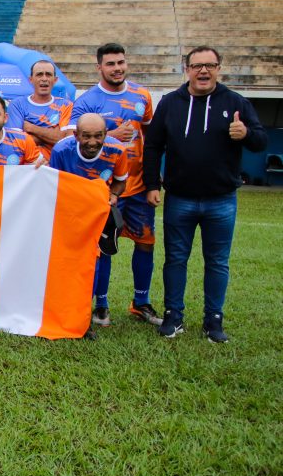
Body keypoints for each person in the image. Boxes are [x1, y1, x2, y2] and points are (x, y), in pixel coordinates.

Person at [143, 46, 267, 343]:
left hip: (221, 199)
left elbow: (260, 141)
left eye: (209, 65)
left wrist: (245, 134)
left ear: (218, 68)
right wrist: (151, 185)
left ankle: (213, 319)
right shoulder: (171, 103)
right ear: (186, 69)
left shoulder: (235, 102)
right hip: (179, 198)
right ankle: (174, 315)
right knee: (175, 259)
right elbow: (153, 146)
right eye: (197, 65)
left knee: (217, 262)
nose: (203, 71)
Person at [65, 43, 161, 328]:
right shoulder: (86, 101)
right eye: (110, 64)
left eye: (120, 62)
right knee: (104, 247)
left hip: (139, 186)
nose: (117, 68)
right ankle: (101, 305)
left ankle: (140, 302)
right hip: (104, 190)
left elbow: (151, 138)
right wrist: (112, 136)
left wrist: (154, 181)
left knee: (145, 242)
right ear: (99, 67)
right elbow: (74, 141)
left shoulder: (141, 96)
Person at [49, 114, 129, 332]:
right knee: (68, 259)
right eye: (86, 136)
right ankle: (66, 306)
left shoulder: (118, 150)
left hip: (100, 213)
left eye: (98, 136)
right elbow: (52, 184)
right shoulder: (61, 151)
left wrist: (113, 195)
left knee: (101, 256)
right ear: (76, 135)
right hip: (70, 213)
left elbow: (121, 182)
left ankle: (100, 305)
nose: (92, 142)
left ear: (105, 135)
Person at [5, 60, 71, 159]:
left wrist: (30, 128)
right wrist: (51, 134)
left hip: (54, 166)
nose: (44, 79)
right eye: (39, 74)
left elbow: (64, 140)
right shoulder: (17, 104)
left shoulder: (66, 105)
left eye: (48, 74)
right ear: (30, 79)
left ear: (55, 79)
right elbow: (16, 142)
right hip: (26, 165)